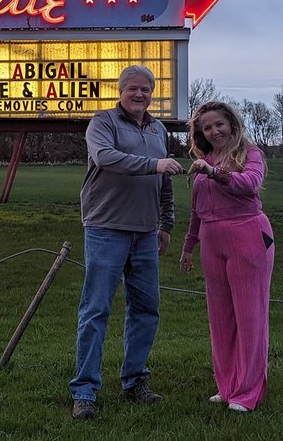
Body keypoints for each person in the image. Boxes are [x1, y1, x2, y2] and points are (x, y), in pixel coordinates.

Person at [69, 65, 183, 420]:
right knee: (96, 310)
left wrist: (166, 222)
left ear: (152, 94)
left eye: (145, 90)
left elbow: (164, 182)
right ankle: (84, 389)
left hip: (146, 232)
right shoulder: (103, 122)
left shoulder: (157, 128)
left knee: (147, 310)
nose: (139, 95)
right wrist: (154, 164)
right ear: (121, 91)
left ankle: (135, 380)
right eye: (133, 89)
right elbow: (106, 158)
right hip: (106, 228)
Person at [179, 100, 275, 413]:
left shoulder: (250, 153)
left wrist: (214, 172)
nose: (214, 131)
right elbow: (197, 210)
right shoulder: (204, 160)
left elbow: (250, 185)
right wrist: (188, 246)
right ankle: (228, 386)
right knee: (221, 318)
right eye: (207, 127)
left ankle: (248, 392)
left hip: (249, 236)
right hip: (211, 240)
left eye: (219, 124)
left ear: (231, 124)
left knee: (250, 316)